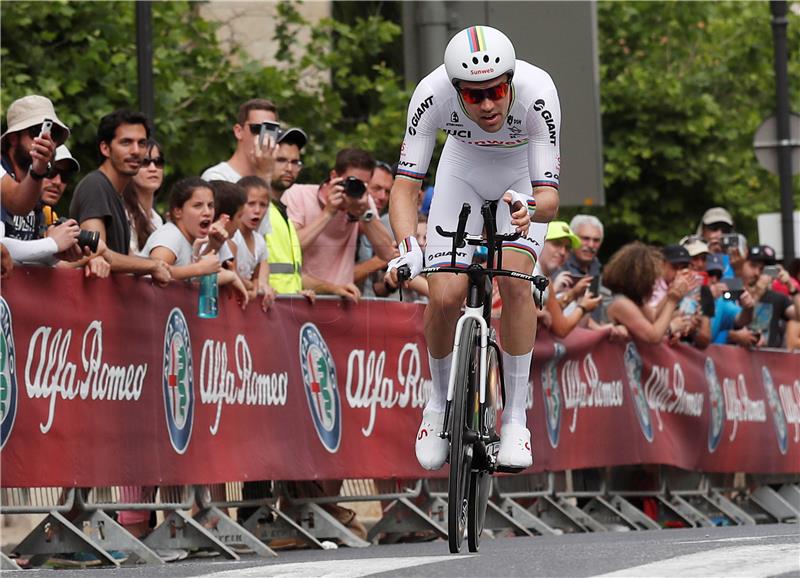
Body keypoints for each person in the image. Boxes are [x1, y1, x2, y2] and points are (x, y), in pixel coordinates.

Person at [385, 25, 560, 470]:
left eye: (497, 91)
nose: (487, 105)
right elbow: (405, 187)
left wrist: (529, 209)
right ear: (455, 90)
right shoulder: (430, 94)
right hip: (461, 173)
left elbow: (551, 200)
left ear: (511, 81)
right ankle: (437, 406)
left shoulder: (539, 93)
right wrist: (407, 246)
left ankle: (516, 419)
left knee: (517, 283)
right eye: (473, 96)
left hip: (522, 181)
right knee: (444, 295)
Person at [69, 109, 171, 283]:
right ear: (105, 148)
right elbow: (96, 250)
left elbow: (122, 257)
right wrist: (152, 265)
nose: (136, 151)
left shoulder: (116, 194)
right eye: (126, 142)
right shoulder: (95, 186)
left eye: (142, 143)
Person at [283, 147, 395, 299]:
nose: (356, 189)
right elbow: (288, 251)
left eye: (364, 184)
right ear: (334, 176)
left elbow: (387, 252)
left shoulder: (363, 202)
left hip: (342, 300)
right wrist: (328, 213)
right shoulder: (298, 194)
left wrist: (365, 214)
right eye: (352, 182)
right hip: (302, 297)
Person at [604, 242, 692, 344]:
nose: (654, 285)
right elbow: (652, 337)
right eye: (651, 279)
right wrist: (672, 302)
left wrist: (671, 292)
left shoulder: (634, 299)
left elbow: (653, 316)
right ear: (640, 279)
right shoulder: (620, 303)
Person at [535, 221, 603, 338]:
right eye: (556, 244)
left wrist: (573, 294)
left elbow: (553, 314)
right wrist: (583, 307)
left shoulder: (546, 279)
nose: (562, 252)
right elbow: (561, 329)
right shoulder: (528, 270)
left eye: (567, 248)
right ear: (540, 242)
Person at [1, 95, 65, 217]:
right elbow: (18, 203)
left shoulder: (38, 188)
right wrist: (53, 237)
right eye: (37, 131)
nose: (47, 140)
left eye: (54, 133)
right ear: (13, 138)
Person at [201, 98, 279, 185]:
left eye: (271, 131)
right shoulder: (216, 177)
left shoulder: (276, 179)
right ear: (238, 131)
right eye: (257, 129)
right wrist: (264, 175)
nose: (264, 137)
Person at [741, 244, 800, 349]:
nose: (757, 273)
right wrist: (757, 293)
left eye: (762, 269)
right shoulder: (731, 292)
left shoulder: (777, 298)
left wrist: (792, 288)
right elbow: (737, 322)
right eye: (753, 265)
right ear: (743, 264)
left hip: (767, 362)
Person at [234, 176, 276, 311]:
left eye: (263, 205)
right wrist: (254, 286)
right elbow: (232, 275)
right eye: (251, 203)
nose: (257, 210)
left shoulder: (259, 242)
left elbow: (260, 279)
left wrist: (260, 284)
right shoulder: (232, 237)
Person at [705, 252, 756, 346]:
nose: (714, 280)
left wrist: (748, 307)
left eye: (718, 275)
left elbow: (742, 319)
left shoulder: (722, 300)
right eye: (710, 274)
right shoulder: (686, 296)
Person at [124, 139, 164, 253]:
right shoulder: (124, 214)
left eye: (158, 162)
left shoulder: (157, 219)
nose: (153, 168)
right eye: (144, 162)